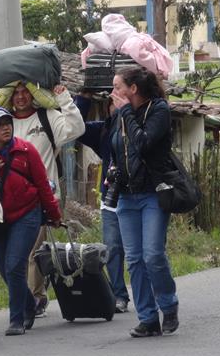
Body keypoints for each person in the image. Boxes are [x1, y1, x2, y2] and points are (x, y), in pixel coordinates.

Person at [109, 66, 179, 337]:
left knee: (152, 255)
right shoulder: (119, 116)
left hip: (153, 193)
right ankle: (148, 318)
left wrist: (125, 112)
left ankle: (168, 305)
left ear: (133, 89)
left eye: (117, 87)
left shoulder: (159, 110)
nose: (113, 93)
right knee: (135, 259)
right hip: (127, 195)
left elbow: (144, 143)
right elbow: (116, 149)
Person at [0, 107, 62, 335]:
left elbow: (43, 185)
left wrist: (53, 214)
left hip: (27, 213)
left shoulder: (26, 150)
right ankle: (29, 304)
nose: (5, 127)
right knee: (5, 270)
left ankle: (17, 319)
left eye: (8, 122)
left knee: (15, 265)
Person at [10, 82, 85, 316]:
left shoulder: (47, 117)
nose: (21, 97)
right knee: (14, 251)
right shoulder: (3, 123)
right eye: (16, 93)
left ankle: (35, 297)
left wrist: (64, 99)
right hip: (11, 198)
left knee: (32, 248)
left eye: (25, 92)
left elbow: (76, 128)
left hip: (43, 195)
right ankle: (23, 296)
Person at [74, 92, 130, 313]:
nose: (118, 107)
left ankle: (150, 291)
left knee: (141, 253)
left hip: (138, 198)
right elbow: (75, 127)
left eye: (123, 102)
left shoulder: (142, 128)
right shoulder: (103, 131)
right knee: (113, 248)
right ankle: (119, 295)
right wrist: (83, 98)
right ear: (108, 108)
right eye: (113, 103)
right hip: (111, 200)